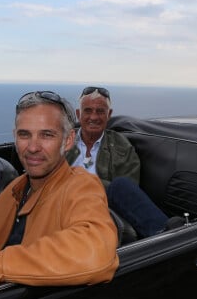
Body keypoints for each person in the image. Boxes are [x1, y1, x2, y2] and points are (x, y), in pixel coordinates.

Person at [0, 91, 119, 299]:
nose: (32, 147)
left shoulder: (81, 185)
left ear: (68, 141)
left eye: (46, 135)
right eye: (25, 135)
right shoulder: (10, 194)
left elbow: (96, 252)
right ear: (15, 136)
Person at [66, 86, 168, 238]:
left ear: (109, 115)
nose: (93, 117)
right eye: (88, 111)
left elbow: (127, 193)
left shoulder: (122, 146)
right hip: (63, 200)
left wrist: (85, 183)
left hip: (101, 206)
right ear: (78, 114)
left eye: (100, 111)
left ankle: (167, 236)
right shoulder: (61, 141)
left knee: (120, 186)